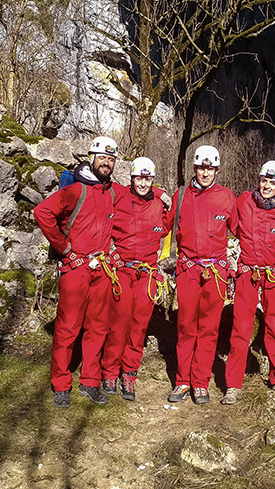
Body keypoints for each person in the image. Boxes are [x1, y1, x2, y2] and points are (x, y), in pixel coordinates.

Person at [33, 135, 120, 407]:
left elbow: (139, 197)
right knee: (68, 328)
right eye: (102, 158)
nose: (106, 163)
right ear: (92, 159)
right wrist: (64, 248)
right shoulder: (75, 190)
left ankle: (90, 382)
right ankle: (61, 384)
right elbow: (42, 213)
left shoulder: (113, 191)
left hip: (102, 268)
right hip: (76, 268)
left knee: (98, 327)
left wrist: (162, 194)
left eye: (111, 159)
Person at [221, 161, 275, 405]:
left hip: (273, 276)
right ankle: (233, 385)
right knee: (241, 329)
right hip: (248, 273)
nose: (267, 186)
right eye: (264, 181)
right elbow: (231, 222)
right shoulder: (244, 201)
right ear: (259, 180)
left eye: (272, 183)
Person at [164, 145, 237, 404]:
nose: (205, 172)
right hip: (188, 268)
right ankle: (183, 381)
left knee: (209, 327)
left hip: (215, 271)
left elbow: (241, 229)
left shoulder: (227, 197)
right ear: (194, 168)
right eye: (201, 167)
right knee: (185, 325)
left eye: (210, 168)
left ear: (216, 169)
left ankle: (200, 382)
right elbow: (163, 225)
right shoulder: (181, 195)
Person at [100, 157, 170, 400]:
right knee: (118, 323)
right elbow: (104, 222)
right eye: (139, 178)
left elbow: (172, 225)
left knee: (139, 325)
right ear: (131, 178)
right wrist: (111, 253)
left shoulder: (160, 205)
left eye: (148, 178)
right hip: (122, 270)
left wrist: (160, 193)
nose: (143, 183)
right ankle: (109, 370)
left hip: (147, 272)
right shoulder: (119, 198)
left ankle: (129, 374)